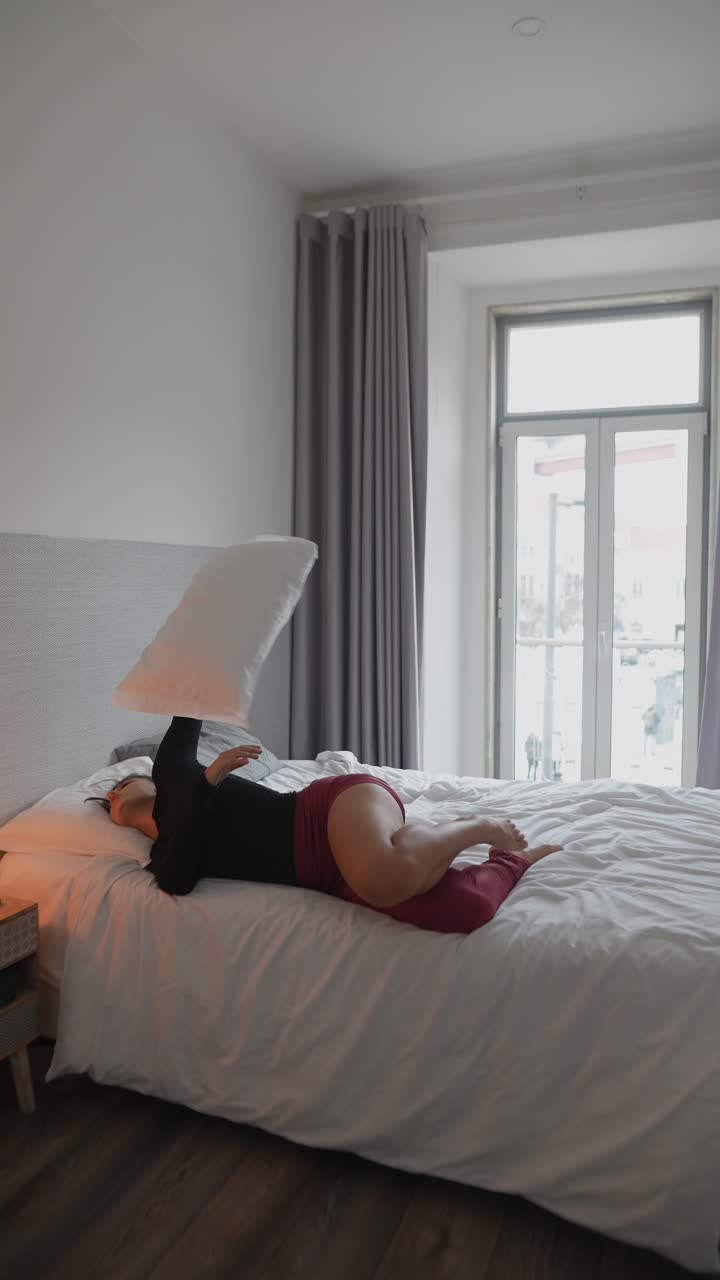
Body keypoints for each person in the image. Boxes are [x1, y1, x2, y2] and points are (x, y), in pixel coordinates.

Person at [97, 718, 562, 935]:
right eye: (104, 801)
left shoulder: (173, 772)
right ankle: (511, 859)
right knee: (470, 910)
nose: (111, 795)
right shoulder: (164, 855)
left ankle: (477, 825)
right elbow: (176, 883)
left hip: (329, 812)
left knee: (384, 876)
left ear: (145, 780)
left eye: (117, 784)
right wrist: (211, 782)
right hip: (327, 875)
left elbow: (189, 701)